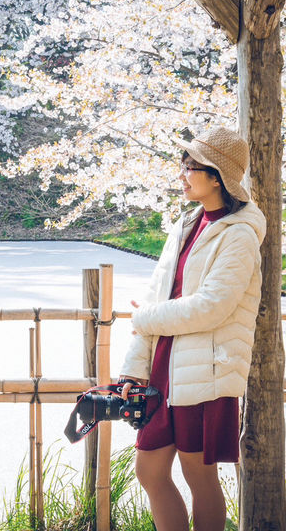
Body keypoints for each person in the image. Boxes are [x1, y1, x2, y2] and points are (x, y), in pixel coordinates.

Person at [118, 126, 265, 531]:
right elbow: (155, 297)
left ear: (216, 176)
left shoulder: (240, 235)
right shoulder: (186, 224)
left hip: (205, 372)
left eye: (189, 168)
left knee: (199, 476)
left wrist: (146, 316)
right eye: (182, 166)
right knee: (149, 471)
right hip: (164, 368)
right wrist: (135, 367)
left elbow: (211, 308)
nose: (181, 175)